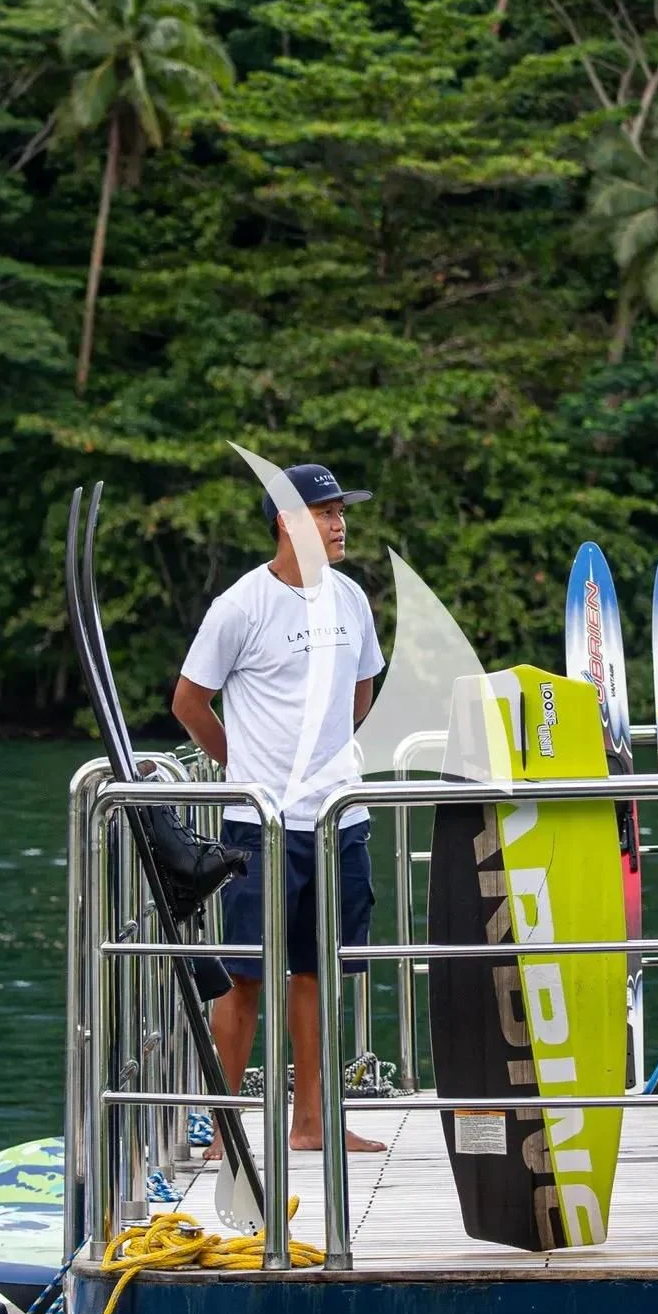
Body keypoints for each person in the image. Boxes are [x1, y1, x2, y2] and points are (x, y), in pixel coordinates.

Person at [171, 462, 388, 1153]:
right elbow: (188, 702)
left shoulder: (352, 598)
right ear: (288, 523)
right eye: (325, 512)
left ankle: (311, 1123)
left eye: (340, 511)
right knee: (244, 975)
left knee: (319, 972)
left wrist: (330, 758)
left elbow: (363, 689)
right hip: (260, 822)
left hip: (338, 818)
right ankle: (224, 1132)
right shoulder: (242, 605)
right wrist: (244, 766)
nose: (339, 522)